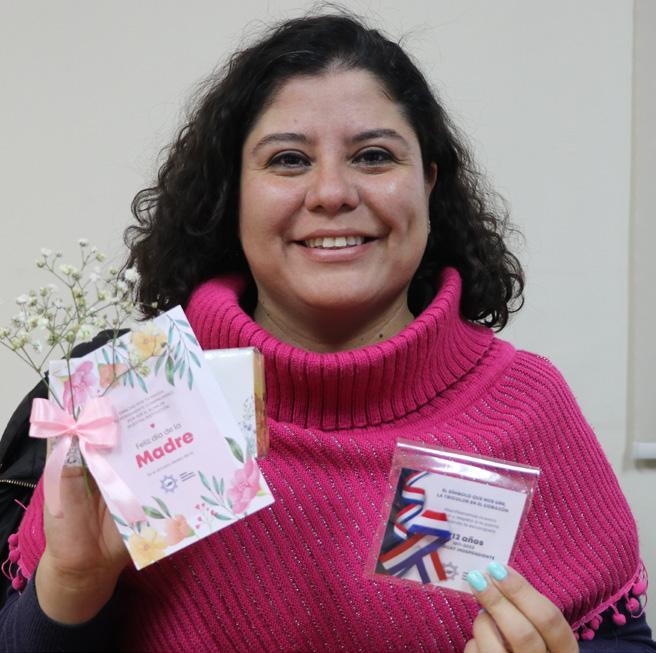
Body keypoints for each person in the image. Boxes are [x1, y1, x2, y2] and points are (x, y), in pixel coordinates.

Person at [0, 11, 653, 653]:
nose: (332, 192)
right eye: (288, 160)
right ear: (235, 192)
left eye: (374, 156)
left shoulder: (525, 403)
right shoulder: (138, 399)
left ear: (428, 181)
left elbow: (621, 639)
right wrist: (74, 587)